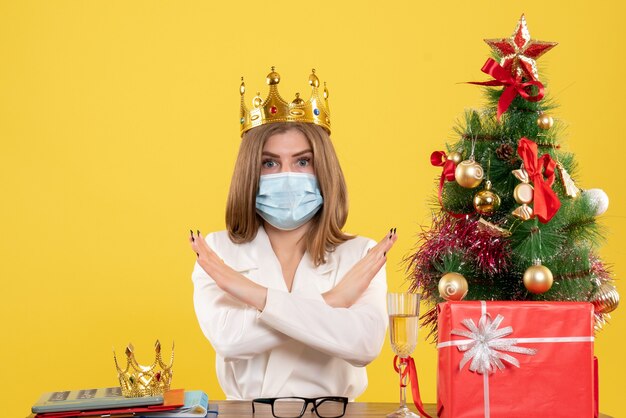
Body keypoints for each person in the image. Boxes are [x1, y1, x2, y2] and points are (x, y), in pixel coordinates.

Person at [189, 68, 397, 401]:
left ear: (323, 170)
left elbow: (364, 345)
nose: (287, 175)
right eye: (270, 163)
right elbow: (229, 340)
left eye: (302, 162)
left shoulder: (361, 254)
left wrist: (251, 293)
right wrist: (334, 302)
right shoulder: (217, 250)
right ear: (250, 173)